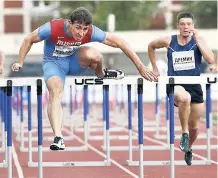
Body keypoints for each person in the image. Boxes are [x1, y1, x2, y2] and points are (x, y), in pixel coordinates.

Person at [12, 7, 158, 151]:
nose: (81, 33)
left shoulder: (91, 31)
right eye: (78, 28)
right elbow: (28, 39)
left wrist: (140, 66)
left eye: (85, 29)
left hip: (75, 62)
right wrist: (20, 61)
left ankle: (101, 74)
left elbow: (119, 42)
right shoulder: (53, 27)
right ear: (70, 23)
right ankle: (58, 137)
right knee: (55, 92)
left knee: (95, 55)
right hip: (54, 64)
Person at [148, 12, 216, 166]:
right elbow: (151, 46)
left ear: (193, 26)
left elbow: (211, 59)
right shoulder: (169, 40)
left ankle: (189, 147)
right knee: (185, 98)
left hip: (194, 85)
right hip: (175, 84)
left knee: (195, 128)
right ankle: (183, 133)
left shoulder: (199, 40)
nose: (186, 27)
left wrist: (198, 40)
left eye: (189, 24)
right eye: (183, 24)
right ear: (178, 25)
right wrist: (154, 68)